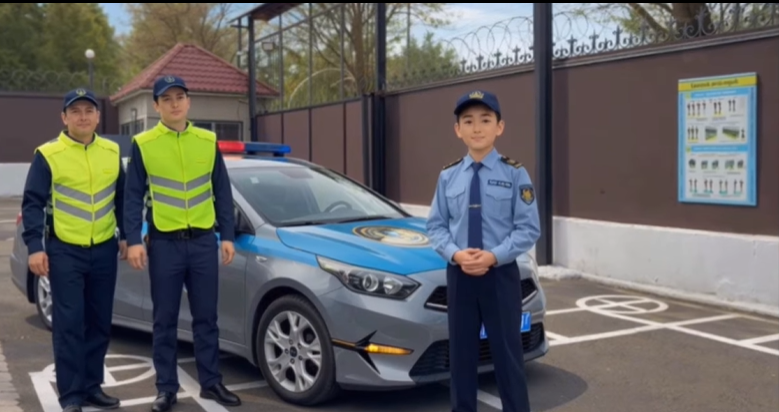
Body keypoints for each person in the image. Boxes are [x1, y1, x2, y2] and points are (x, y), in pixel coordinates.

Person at [123, 75, 239, 412]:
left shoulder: (207, 140)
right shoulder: (143, 143)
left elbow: (222, 191)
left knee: (207, 318)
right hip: (164, 245)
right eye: (167, 99)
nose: (174, 104)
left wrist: (227, 236)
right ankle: (166, 389)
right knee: (164, 320)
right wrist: (134, 240)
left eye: (180, 97)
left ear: (189, 102)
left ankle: (211, 383)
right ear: (156, 105)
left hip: (203, 242)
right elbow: (132, 197)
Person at [426, 90, 541, 412]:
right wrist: (455, 254)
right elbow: (436, 226)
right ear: (457, 130)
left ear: (499, 127)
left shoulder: (514, 173)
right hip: (460, 276)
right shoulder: (448, 176)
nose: (477, 128)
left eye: (485, 120)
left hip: (500, 276)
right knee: (461, 357)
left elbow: (528, 228)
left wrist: (494, 256)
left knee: (508, 355)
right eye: (468, 121)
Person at [21, 88, 127, 412]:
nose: (83, 117)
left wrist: (127, 236)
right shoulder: (48, 154)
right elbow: (33, 203)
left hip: (104, 249)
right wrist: (35, 247)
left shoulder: (111, 151)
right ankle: (71, 395)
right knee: (69, 325)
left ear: (98, 116)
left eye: (88, 111)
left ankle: (92, 387)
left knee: (99, 322)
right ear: (64, 118)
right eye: (76, 111)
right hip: (65, 251)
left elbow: (121, 197)